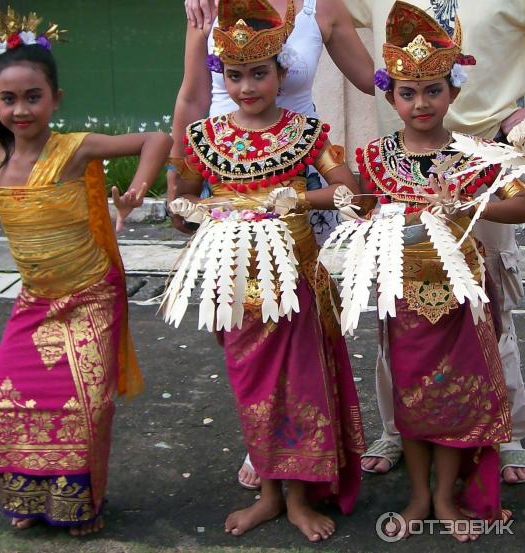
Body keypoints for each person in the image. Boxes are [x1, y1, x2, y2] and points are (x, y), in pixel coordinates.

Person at [0, 8, 172, 536]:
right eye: (7, 98)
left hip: (90, 298)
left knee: (83, 406)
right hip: (35, 301)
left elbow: (156, 139)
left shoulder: (74, 150)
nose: (19, 109)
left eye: (32, 96)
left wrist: (134, 191)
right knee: (0, 397)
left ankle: (78, 505)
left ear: (55, 98)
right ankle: (28, 494)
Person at [168, 0, 365, 541]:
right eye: (235, 75)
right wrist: (183, 210)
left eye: (260, 73)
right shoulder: (206, 139)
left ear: (282, 73)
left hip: (296, 277)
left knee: (302, 384)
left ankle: (300, 498)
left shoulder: (305, 133)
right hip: (235, 285)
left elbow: (350, 190)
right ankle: (270, 493)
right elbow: (183, 201)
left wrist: (297, 198)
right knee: (252, 387)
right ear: (222, 76)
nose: (248, 85)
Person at [353, 1, 525, 540]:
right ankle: (420, 496)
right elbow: (360, 208)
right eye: (408, 92)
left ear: (453, 92)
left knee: (456, 398)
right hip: (403, 299)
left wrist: (468, 207)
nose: (421, 103)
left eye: (433, 90)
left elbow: (520, 205)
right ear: (391, 96)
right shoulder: (374, 158)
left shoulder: (476, 156)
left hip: (462, 297)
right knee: (411, 396)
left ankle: (448, 499)